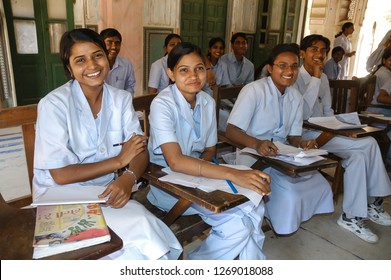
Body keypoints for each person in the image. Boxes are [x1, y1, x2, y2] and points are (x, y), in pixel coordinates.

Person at [32, 28, 182, 260]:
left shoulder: (120, 99)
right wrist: (120, 161)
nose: (92, 65)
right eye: (80, 60)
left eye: (97, 55)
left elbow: (138, 149)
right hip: (60, 199)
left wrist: (128, 177)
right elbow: (60, 174)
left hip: (105, 195)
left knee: (149, 234)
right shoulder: (54, 105)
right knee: (133, 253)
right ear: (69, 68)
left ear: (107, 57)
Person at [147, 42, 271, 260]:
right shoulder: (162, 104)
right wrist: (232, 174)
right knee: (238, 226)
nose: (193, 76)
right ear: (170, 73)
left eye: (199, 68)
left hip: (198, 176)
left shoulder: (206, 101)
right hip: (168, 183)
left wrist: (204, 173)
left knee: (255, 206)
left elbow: (210, 148)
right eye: (184, 70)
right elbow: (175, 162)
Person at [225, 43, 334, 235]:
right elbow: (232, 131)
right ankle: (275, 218)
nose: (289, 71)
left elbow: (293, 136)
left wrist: (302, 143)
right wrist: (257, 143)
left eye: (293, 66)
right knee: (290, 194)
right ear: (270, 68)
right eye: (282, 65)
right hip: (253, 155)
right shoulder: (254, 90)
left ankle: (277, 215)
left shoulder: (296, 97)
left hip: (282, 155)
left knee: (320, 183)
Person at [293, 34, 391, 243]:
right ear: (303, 53)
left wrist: (337, 125)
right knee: (369, 144)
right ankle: (373, 202)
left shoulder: (324, 79)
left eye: (323, 51)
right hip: (305, 134)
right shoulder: (295, 77)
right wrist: (317, 77)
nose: (319, 54)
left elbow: (327, 109)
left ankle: (352, 215)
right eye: (313, 49)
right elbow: (301, 113)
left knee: (359, 156)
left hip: (326, 130)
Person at [100, 28, 136, 96]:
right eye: (109, 43)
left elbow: (129, 87)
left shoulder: (126, 64)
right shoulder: (96, 66)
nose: (114, 47)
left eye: (117, 43)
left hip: (121, 105)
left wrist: (126, 103)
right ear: (101, 44)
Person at [369, 48, 391, 115]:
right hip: (380, 110)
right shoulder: (384, 74)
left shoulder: (385, 71)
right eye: (390, 60)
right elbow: (381, 98)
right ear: (384, 61)